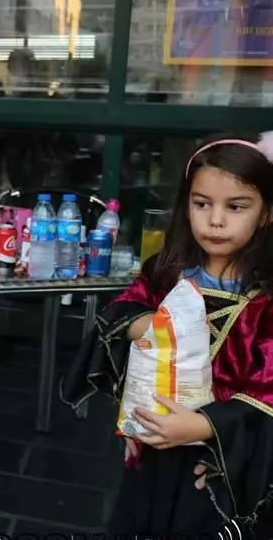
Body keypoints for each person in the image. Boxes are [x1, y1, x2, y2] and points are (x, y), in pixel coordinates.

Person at [63, 133, 273, 537]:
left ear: (266, 213)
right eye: (202, 204)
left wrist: (205, 427)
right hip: (156, 442)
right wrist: (148, 325)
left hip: (219, 461)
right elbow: (123, 310)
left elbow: (266, 392)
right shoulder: (168, 271)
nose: (215, 220)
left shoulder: (265, 298)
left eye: (236, 207)